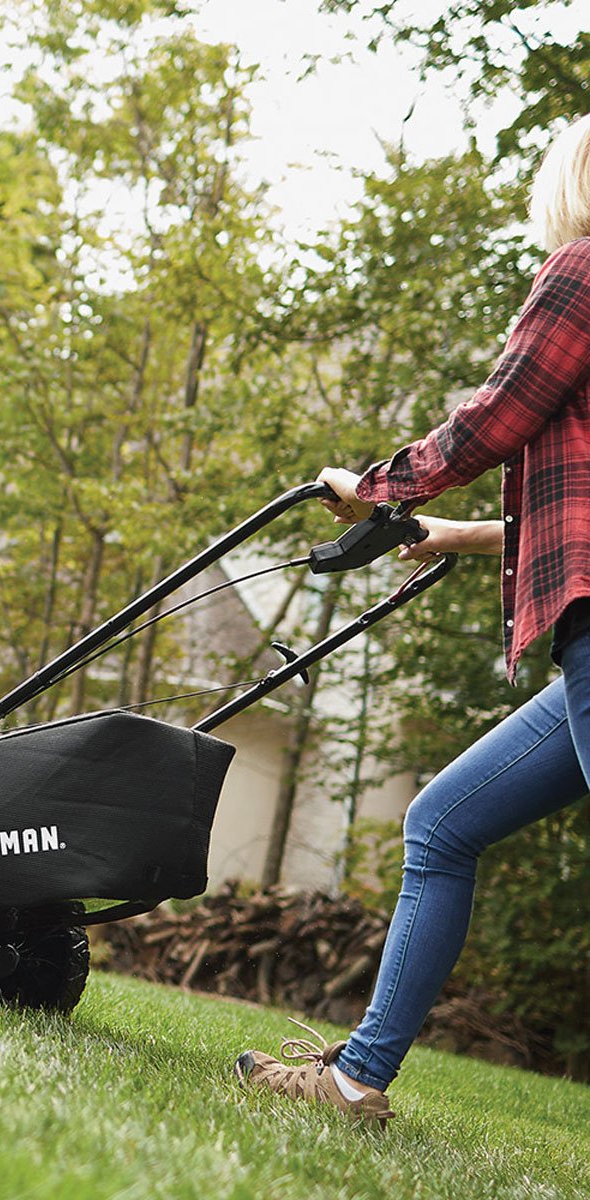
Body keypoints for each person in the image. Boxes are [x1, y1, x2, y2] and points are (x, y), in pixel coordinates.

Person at [233, 111, 590, 1126]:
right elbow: (570, 490)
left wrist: (380, 488)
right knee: (442, 820)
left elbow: (495, 419)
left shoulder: (583, 268)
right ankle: (356, 1080)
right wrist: (448, 534)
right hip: (580, 644)